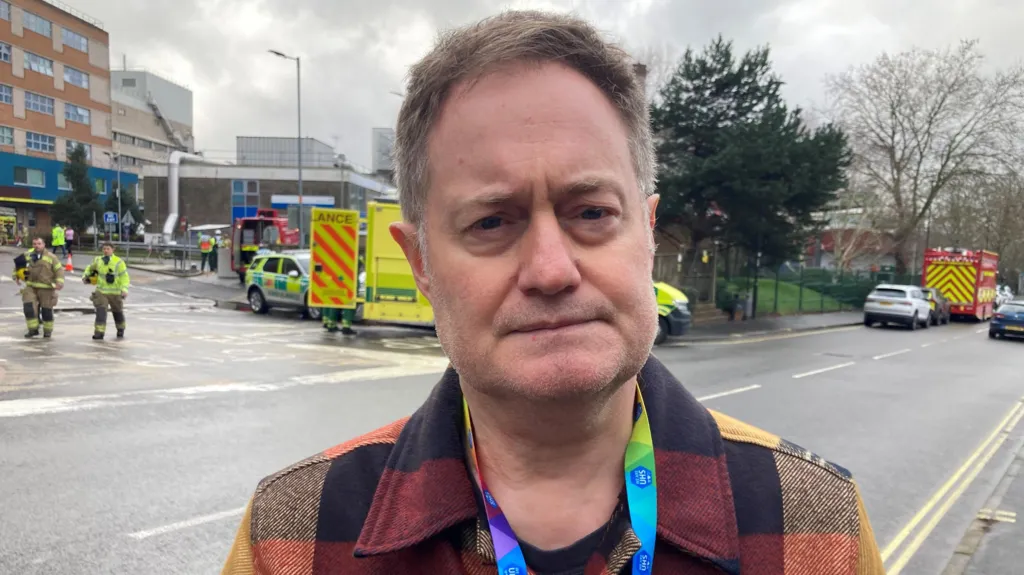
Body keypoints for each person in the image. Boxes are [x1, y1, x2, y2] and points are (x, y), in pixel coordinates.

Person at [222, 11, 884, 575]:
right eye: (491, 222)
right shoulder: (292, 539)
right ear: (421, 263)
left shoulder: (817, 529)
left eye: (591, 212)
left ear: (647, 232)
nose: (550, 269)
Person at [13, 235, 64, 338]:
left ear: (44, 245)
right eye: (34, 244)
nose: (36, 246)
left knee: (46, 310)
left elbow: (59, 270)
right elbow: (18, 266)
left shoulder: (51, 257)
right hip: (30, 286)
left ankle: (47, 331)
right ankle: (33, 330)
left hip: (46, 288)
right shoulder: (27, 255)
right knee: (28, 308)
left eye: (39, 244)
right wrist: (16, 276)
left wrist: (59, 282)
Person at [83, 242, 130, 340]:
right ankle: (99, 333)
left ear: (113, 250)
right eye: (104, 249)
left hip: (115, 292)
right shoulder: (98, 260)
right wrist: (85, 276)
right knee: (101, 312)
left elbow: (124, 277)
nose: (105, 250)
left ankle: (120, 329)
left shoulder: (119, 262)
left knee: (118, 312)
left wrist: (124, 289)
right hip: (101, 291)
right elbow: (89, 268)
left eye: (108, 249)